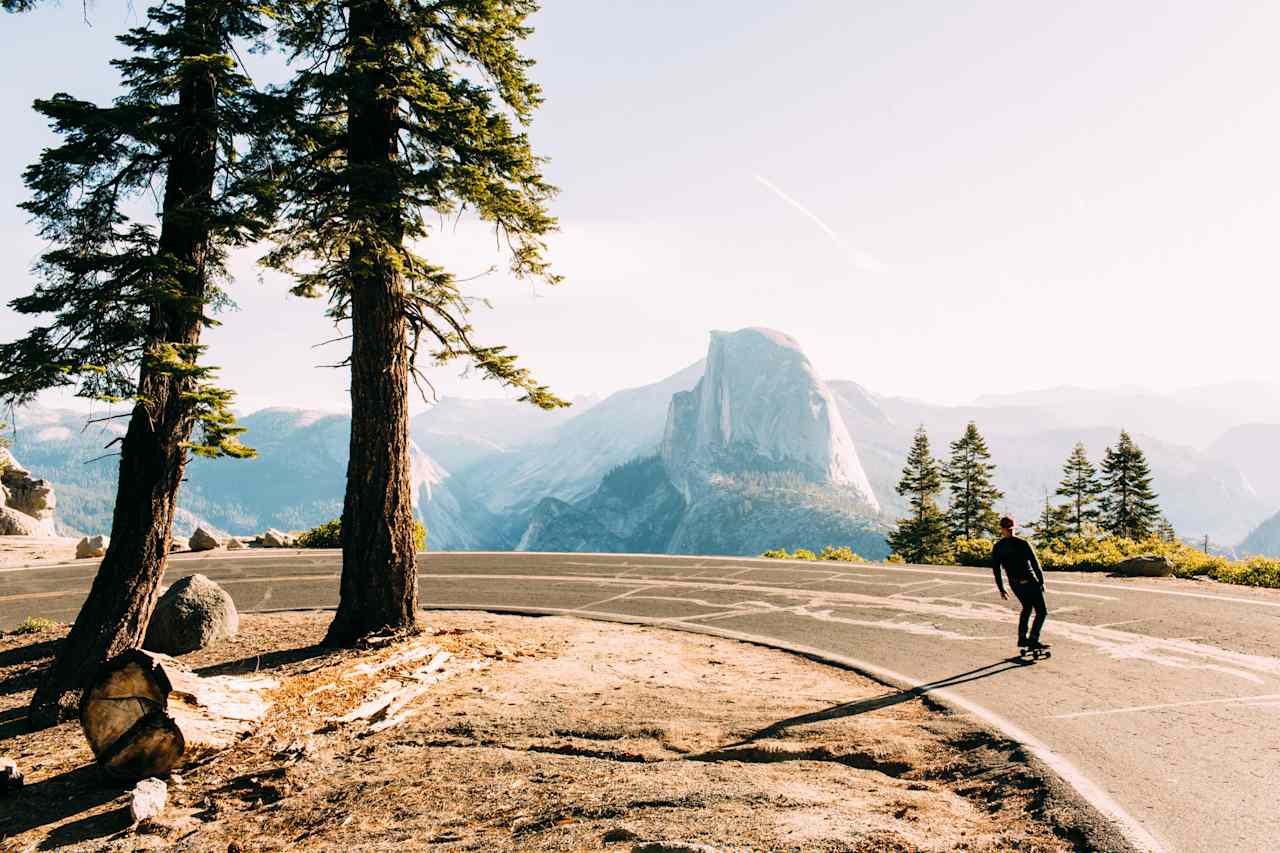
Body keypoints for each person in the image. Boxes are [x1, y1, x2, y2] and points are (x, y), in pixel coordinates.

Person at [990, 516, 1049, 652]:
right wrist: (1041, 582)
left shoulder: (998, 547)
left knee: (1027, 608)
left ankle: (1022, 638)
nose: (1009, 531)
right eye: (1009, 529)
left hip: (1015, 583)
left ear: (1001, 529)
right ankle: (1033, 639)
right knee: (1041, 611)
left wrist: (1002, 588)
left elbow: (996, 569)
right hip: (1029, 580)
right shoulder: (1023, 543)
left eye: (1009, 529)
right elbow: (1035, 564)